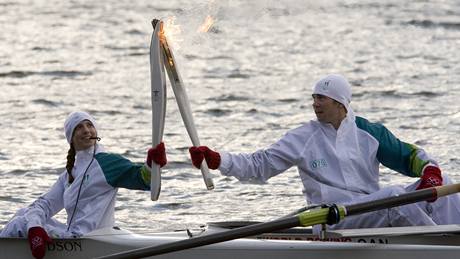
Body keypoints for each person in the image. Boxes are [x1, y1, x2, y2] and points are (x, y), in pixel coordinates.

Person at [189, 74, 460, 233]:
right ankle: (436, 240)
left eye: (321, 98)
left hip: (371, 211)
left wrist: (430, 170)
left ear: (340, 103)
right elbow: (259, 166)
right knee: (394, 195)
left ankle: (450, 237)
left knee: (446, 184)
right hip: (331, 219)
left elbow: (409, 156)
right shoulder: (304, 137)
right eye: (314, 97)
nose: (315, 103)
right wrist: (218, 159)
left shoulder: (369, 133)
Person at [0, 111, 167, 259]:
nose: (86, 130)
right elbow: (43, 205)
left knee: (19, 224)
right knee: (23, 214)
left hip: (96, 238)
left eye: (89, 125)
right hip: (74, 238)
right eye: (79, 127)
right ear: (71, 138)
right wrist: (35, 227)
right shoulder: (69, 174)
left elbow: (143, 179)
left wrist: (152, 165)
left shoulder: (107, 162)